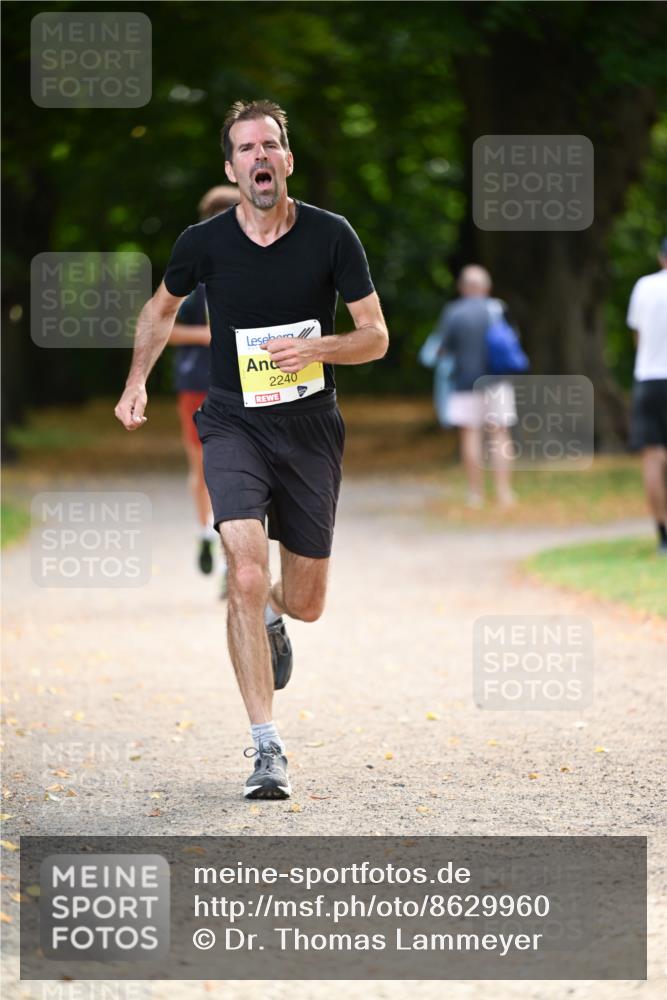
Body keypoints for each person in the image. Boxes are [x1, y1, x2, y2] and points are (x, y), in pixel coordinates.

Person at [114, 99, 388, 799]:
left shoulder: (332, 236)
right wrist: (136, 383)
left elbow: (374, 336)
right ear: (231, 167)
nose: (259, 156)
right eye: (246, 148)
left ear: (286, 160)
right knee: (241, 571)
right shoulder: (202, 241)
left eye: (270, 145)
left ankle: (274, 614)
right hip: (233, 421)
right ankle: (267, 749)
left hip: (309, 428)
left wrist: (317, 347)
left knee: (306, 601)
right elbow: (158, 310)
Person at [168, 185, 240, 595]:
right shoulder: (190, 272)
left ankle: (235, 556)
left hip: (245, 383)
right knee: (203, 468)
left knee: (240, 469)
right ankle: (206, 533)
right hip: (198, 383)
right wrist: (210, 335)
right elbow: (166, 329)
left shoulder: (256, 267)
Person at [432, 265, 517, 507]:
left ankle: (475, 494)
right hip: (498, 381)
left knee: (471, 435)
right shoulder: (498, 309)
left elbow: (442, 348)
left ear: (462, 287)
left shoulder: (454, 312)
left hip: (465, 382)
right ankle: (504, 493)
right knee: (500, 434)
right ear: (486, 287)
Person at [627, 237, 667, 554]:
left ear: (660, 257)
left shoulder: (644, 286)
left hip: (649, 379)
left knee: (652, 457)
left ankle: (663, 534)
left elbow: (637, 336)